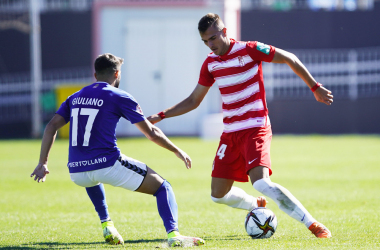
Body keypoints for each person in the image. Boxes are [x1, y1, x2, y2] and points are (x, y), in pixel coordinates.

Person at [148, 13, 333, 238]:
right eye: (205, 41)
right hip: (230, 134)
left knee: (262, 183)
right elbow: (193, 100)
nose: (210, 44)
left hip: (256, 128)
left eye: (213, 38)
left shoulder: (250, 49)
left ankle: (312, 224)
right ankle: (257, 205)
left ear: (224, 32)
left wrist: (315, 87)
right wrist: (161, 115)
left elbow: (289, 58)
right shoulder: (210, 64)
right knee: (217, 195)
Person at [30, 53, 205, 247]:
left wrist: (42, 163)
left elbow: (50, 127)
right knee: (163, 187)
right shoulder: (119, 96)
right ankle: (174, 236)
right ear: (117, 73)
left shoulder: (75, 96)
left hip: (76, 171)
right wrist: (176, 150)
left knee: (92, 177)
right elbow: (151, 133)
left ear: (95, 75)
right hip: (108, 164)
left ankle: (107, 224)